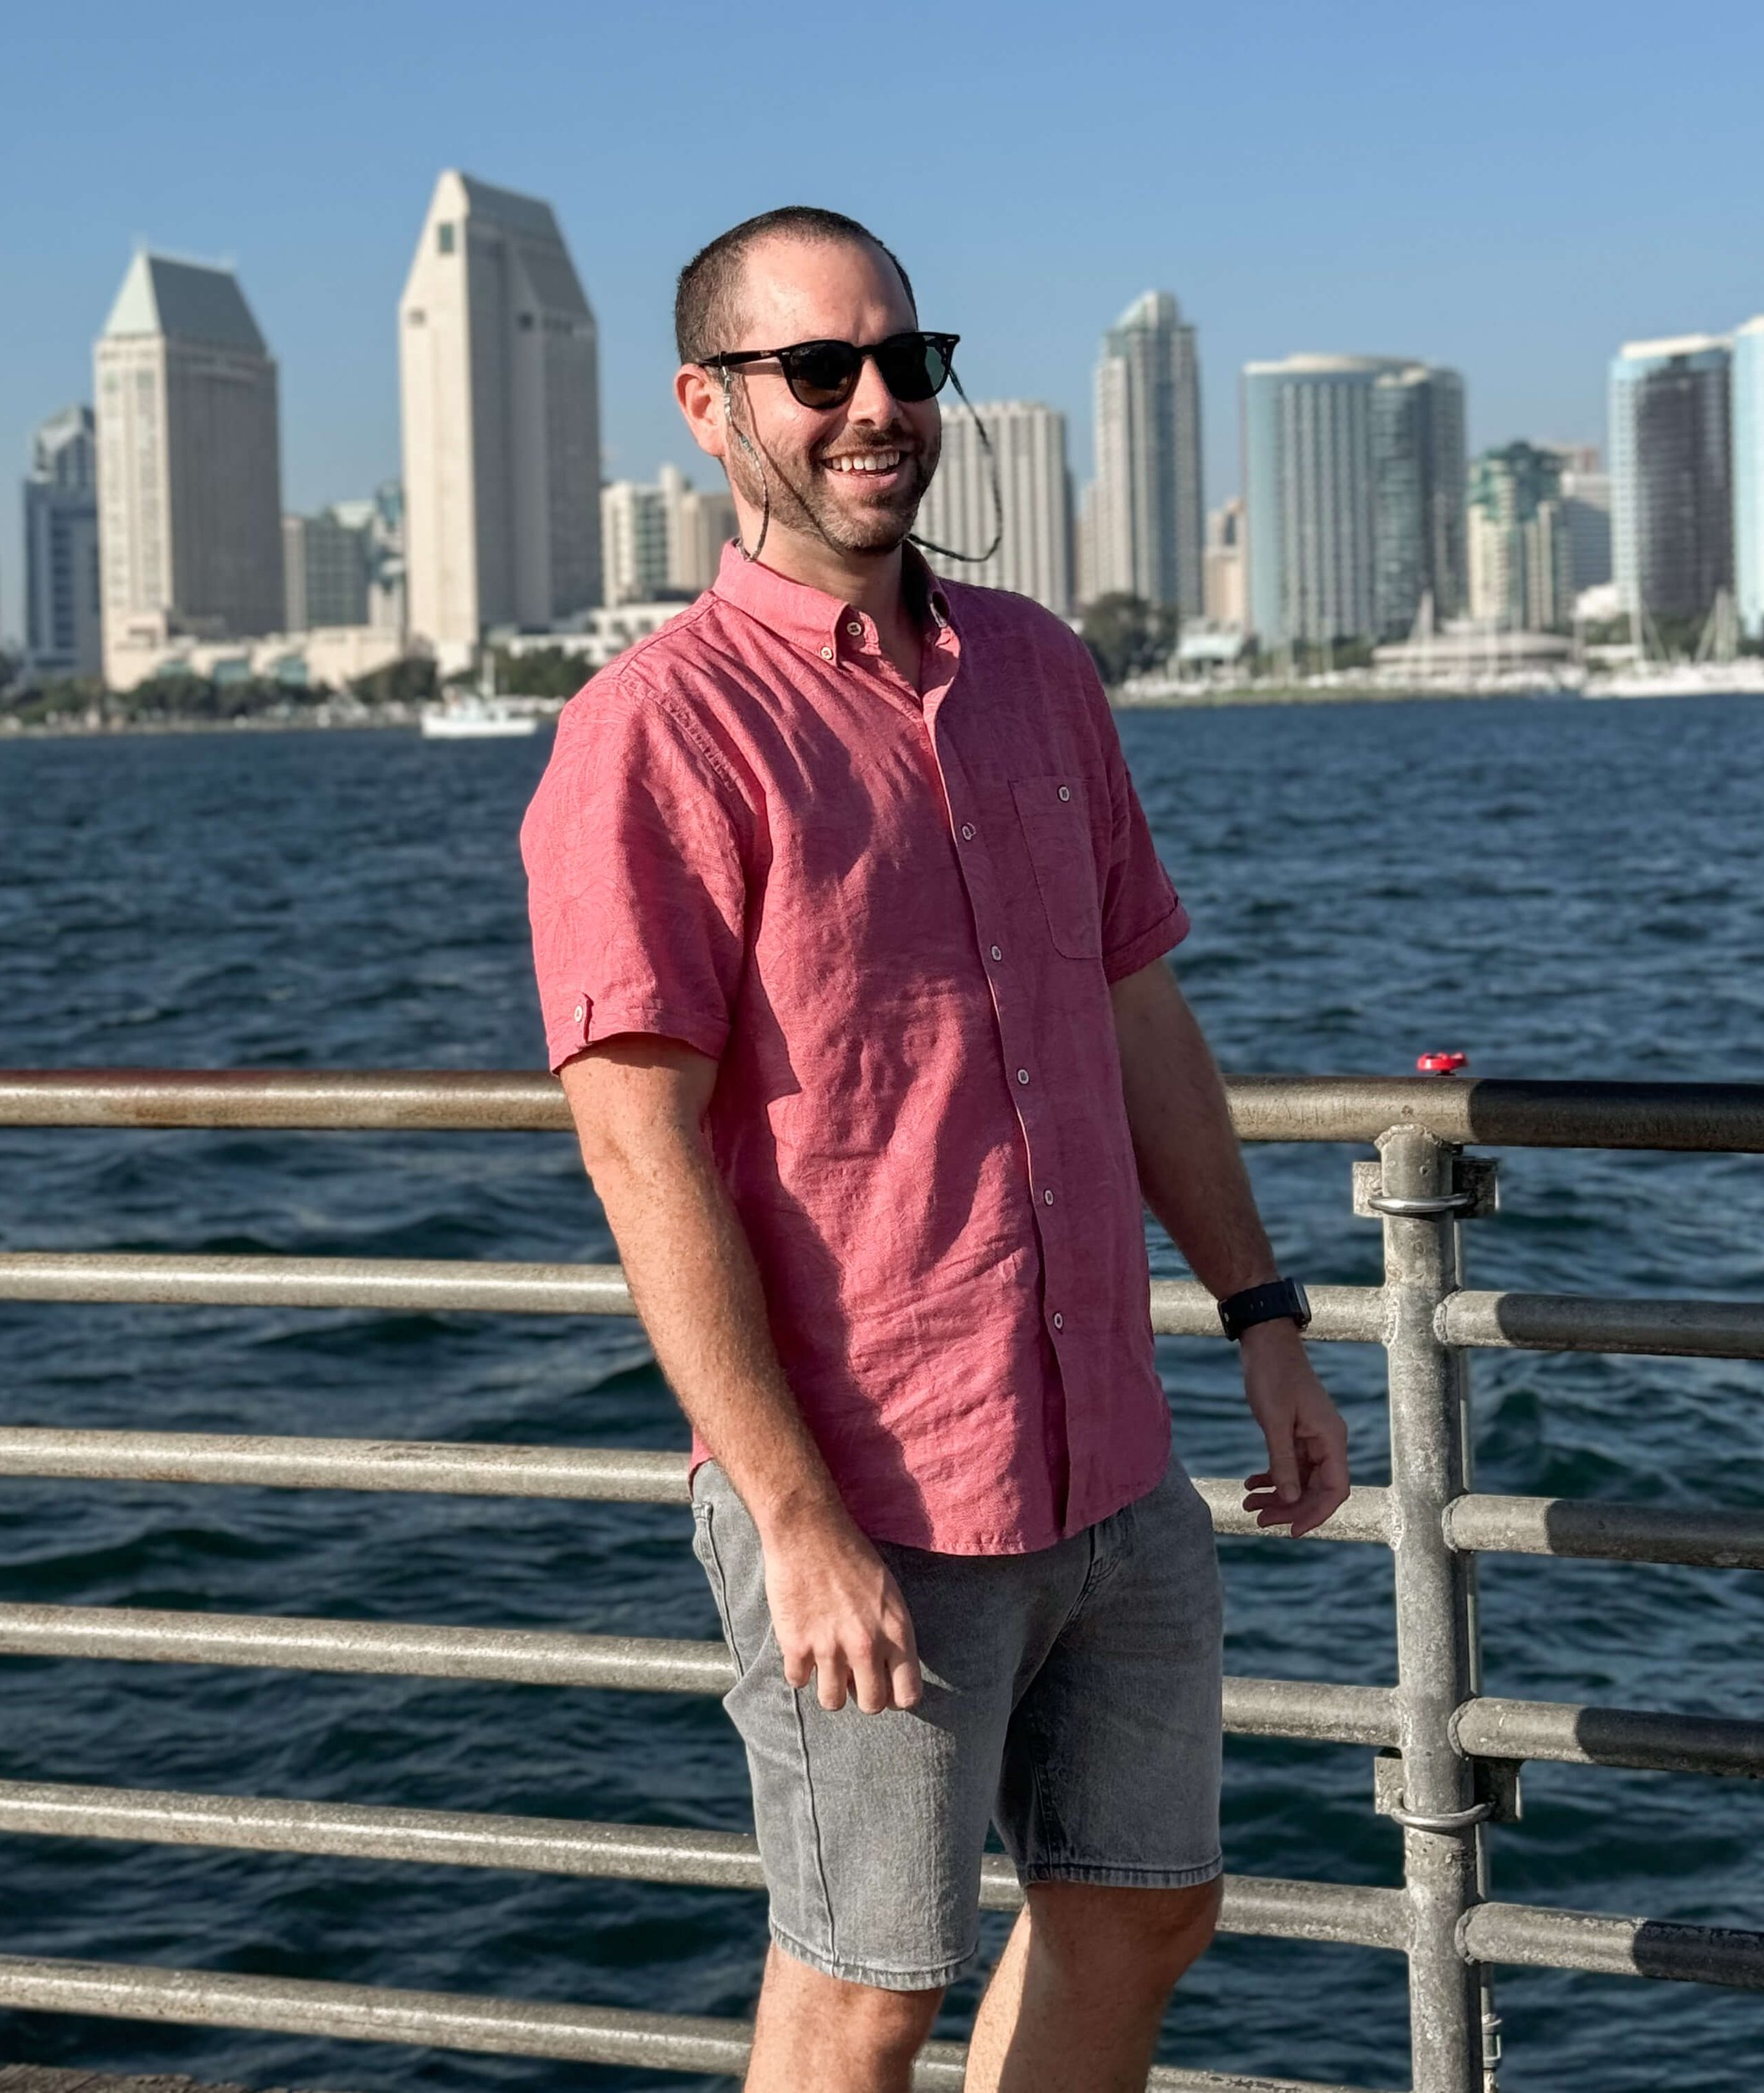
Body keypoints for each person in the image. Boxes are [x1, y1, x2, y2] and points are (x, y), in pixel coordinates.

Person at [520, 205, 1350, 2093]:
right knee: (864, 1982)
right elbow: (639, 1151)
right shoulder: (652, 736)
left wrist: (1263, 1314)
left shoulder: (1042, 673)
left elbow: (1137, 1014)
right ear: (707, 407)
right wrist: (794, 1519)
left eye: (906, 360)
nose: (876, 404)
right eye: (818, 370)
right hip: (872, 1484)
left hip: (1109, 1450)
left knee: (1145, 1904)